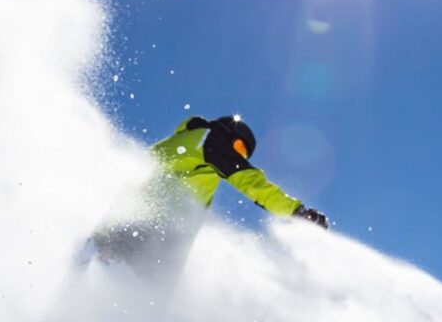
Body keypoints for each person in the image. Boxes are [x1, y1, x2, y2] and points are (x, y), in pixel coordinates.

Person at [87, 115, 328, 276]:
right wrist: (297, 212)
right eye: (239, 149)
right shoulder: (210, 140)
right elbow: (250, 181)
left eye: (243, 154)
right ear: (227, 132)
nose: (239, 157)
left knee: (130, 293)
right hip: (141, 223)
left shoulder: (197, 162)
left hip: (150, 232)